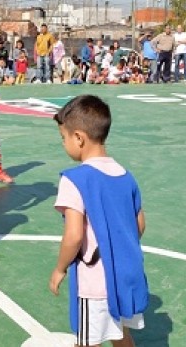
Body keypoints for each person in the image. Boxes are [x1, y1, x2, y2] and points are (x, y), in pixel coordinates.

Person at [49, 94, 148, 347]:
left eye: (64, 138)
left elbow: (74, 236)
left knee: (86, 340)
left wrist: (60, 268)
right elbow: (139, 226)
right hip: (126, 276)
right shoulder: (126, 176)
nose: (64, 144)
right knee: (121, 334)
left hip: (95, 282)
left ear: (79, 138)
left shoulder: (74, 179)